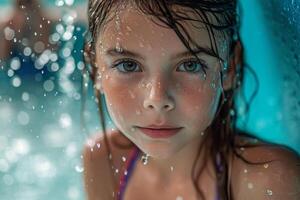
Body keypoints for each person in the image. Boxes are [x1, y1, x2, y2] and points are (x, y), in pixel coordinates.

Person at [82, 0, 300, 200]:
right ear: (95, 68)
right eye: (128, 65)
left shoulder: (269, 179)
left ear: (229, 68)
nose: (157, 99)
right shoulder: (102, 161)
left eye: (190, 65)